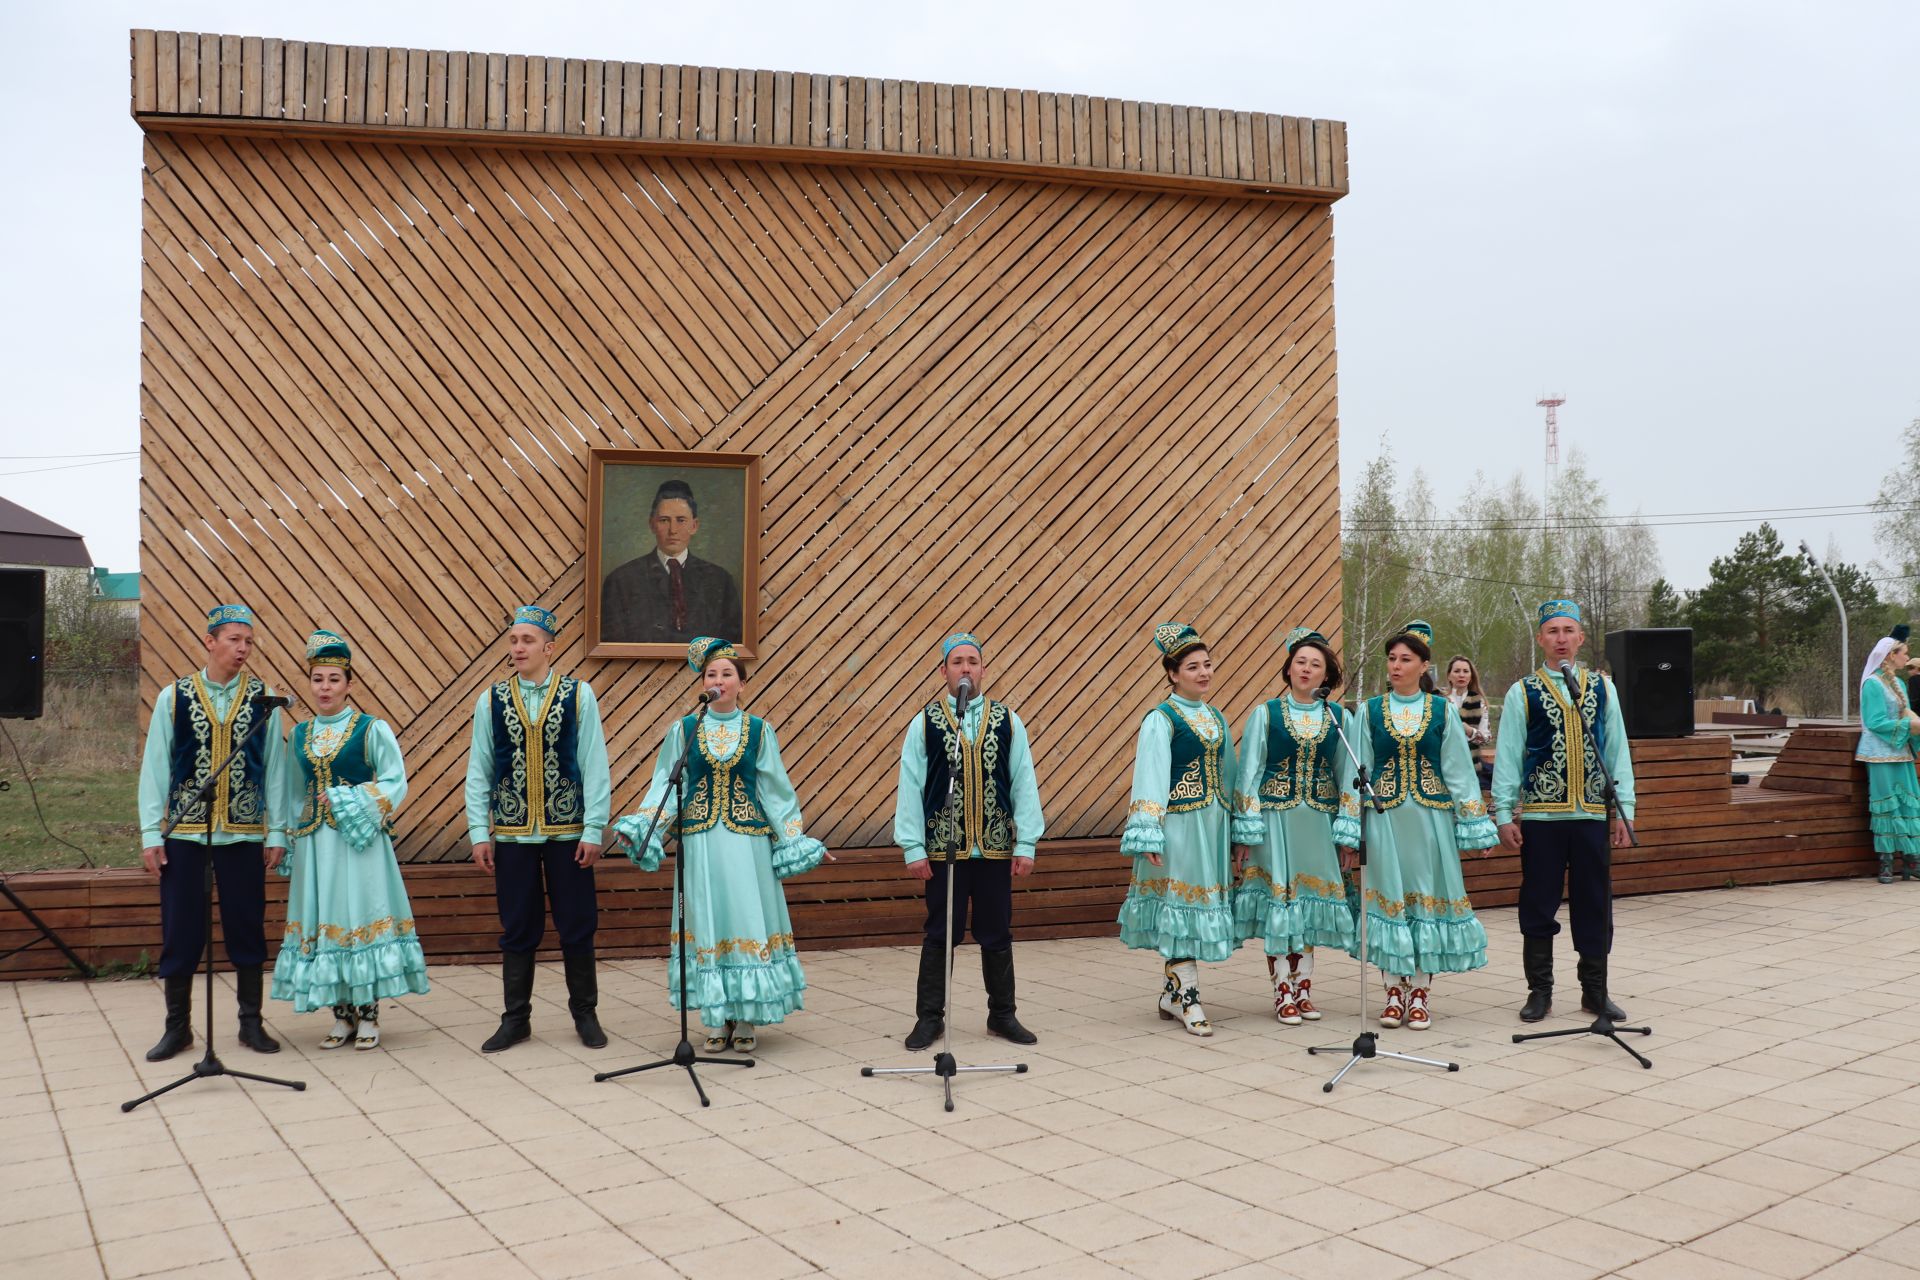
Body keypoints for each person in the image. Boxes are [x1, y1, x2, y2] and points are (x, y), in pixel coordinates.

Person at [614, 637, 827, 1051]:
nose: (719, 680)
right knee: (708, 921)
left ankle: (746, 1018)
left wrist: (794, 838)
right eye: (712, 674)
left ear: (742, 683)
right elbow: (666, 783)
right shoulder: (684, 729)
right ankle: (716, 1017)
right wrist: (645, 827)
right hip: (700, 842)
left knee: (744, 919)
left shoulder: (760, 730)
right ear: (703, 682)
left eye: (727, 674)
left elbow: (776, 791)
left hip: (747, 845)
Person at [136, 604, 289, 1062]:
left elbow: (276, 770)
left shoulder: (265, 699)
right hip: (186, 833)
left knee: (247, 927)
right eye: (234, 639)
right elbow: (156, 764)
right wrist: (150, 831)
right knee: (181, 929)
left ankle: (250, 1024)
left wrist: (277, 830)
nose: (243, 649)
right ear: (210, 641)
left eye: (248, 641)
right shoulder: (175, 696)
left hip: (243, 834)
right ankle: (177, 1028)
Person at [269, 631, 430, 1048]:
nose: (324, 688)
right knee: (325, 918)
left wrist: (350, 797)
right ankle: (341, 1015)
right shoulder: (300, 734)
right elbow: (290, 790)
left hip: (359, 842)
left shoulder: (370, 729)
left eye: (333, 680)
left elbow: (395, 781)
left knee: (360, 915)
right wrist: (285, 837)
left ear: (349, 684)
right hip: (316, 844)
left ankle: (370, 1015)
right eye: (318, 679)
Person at [1334, 621, 1496, 1030]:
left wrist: (1475, 823)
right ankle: (1392, 990)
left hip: (1430, 820)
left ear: (1424, 665)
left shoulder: (1441, 709)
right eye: (1391, 659)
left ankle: (1420, 992)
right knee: (1388, 896)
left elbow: (1458, 770)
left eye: (1406, 659)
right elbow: (1358, 772)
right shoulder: (1369, 710)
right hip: (1384, 820)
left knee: (1425, 898)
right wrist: (1351, 829)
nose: (1396, 666)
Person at [466, 606, 613, 1052]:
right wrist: (478, 831)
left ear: (549, 647)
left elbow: (594, 764)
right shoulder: (491, 700)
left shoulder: (578, 695)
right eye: (513, 640)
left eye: (527, 640)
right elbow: (480, 769)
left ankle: (585, 1015)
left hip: (568, 834)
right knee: (517, 926)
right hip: (512, 835)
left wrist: (594, 829)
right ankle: (516, 1020)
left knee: (577, 923)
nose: (517, 648)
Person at [893, 632, 1046, 1049]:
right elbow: (910, 785)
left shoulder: (1008, 720)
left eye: (972, 661)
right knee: (941, 932)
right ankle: (930, 1019)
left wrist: (1026, 842)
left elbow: (1023, 782)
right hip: (944, 850)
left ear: (983, 669)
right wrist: (913, 846)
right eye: (957, 661)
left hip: (994, 848)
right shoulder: (925, 722)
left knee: (996, 931)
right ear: (943, 670)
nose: (965, 669)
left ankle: (1003, 1015)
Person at [1492, 600, 1635, 1023]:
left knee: (1595, 903)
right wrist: (1503, 813)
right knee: (1538, 902)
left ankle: (1595, 990)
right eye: (1552, 631)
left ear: (1581, 638)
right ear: (1540, 638)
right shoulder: (1524, 691)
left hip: (1591, 813)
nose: (1560, 639)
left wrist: (1625, 810)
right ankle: (1540, 991)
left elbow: (1618, 752)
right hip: (1541, 816)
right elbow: (1509, 756)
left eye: (1568, 630)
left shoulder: (1603, 688)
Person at [1119, 623, 1241, 1036]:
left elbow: (1230, 773)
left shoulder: (1215, 716)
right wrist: (1148, 831)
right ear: (1172, 673)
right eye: (1193, 667)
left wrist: (1239, 826)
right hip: (1180, 826)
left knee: (1197, 909)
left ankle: (1173, 995)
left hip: (1212, 824)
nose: (1204, 673)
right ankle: (1187, 998)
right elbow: (1150, 775)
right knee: (1181, 909)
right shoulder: (1161, 718)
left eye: (1207, 665)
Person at [1232, 628, 1357, 1025]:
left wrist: (1348, 829)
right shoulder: (1265, 713)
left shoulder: (1339, 718)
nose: (1306, 669)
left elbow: (1349, 775)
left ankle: (1304, 988)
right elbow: (1248, 774)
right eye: (1300, 662)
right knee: (1281, 905)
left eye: (1315, 664)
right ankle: (1281, 989)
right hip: (1275, 822)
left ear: (1327, 676)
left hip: (1319, 823)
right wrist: (1245, 831)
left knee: (1308, 908)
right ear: (1288, 669)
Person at [600, 479, 743, 644]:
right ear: (652, 525)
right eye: (664, 520)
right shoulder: (621, 580)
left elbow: (733, 644)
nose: (673, 530)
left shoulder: (720, 581)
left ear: (694, 525)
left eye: (681, 520)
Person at [1856, 623, 1920, 884]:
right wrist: (1909, 725)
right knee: (1886, 805)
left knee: (1908, 803)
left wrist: (1915, 724)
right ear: (1891, 655)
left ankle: (1911, 860)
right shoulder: (1872, 684)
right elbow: (1874, 721)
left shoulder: (1898, 683)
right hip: (1879, 753)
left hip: (1901, 751)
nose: (1907, 657)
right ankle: (1885, 862)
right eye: (1904, 652)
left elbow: (1905, 713)